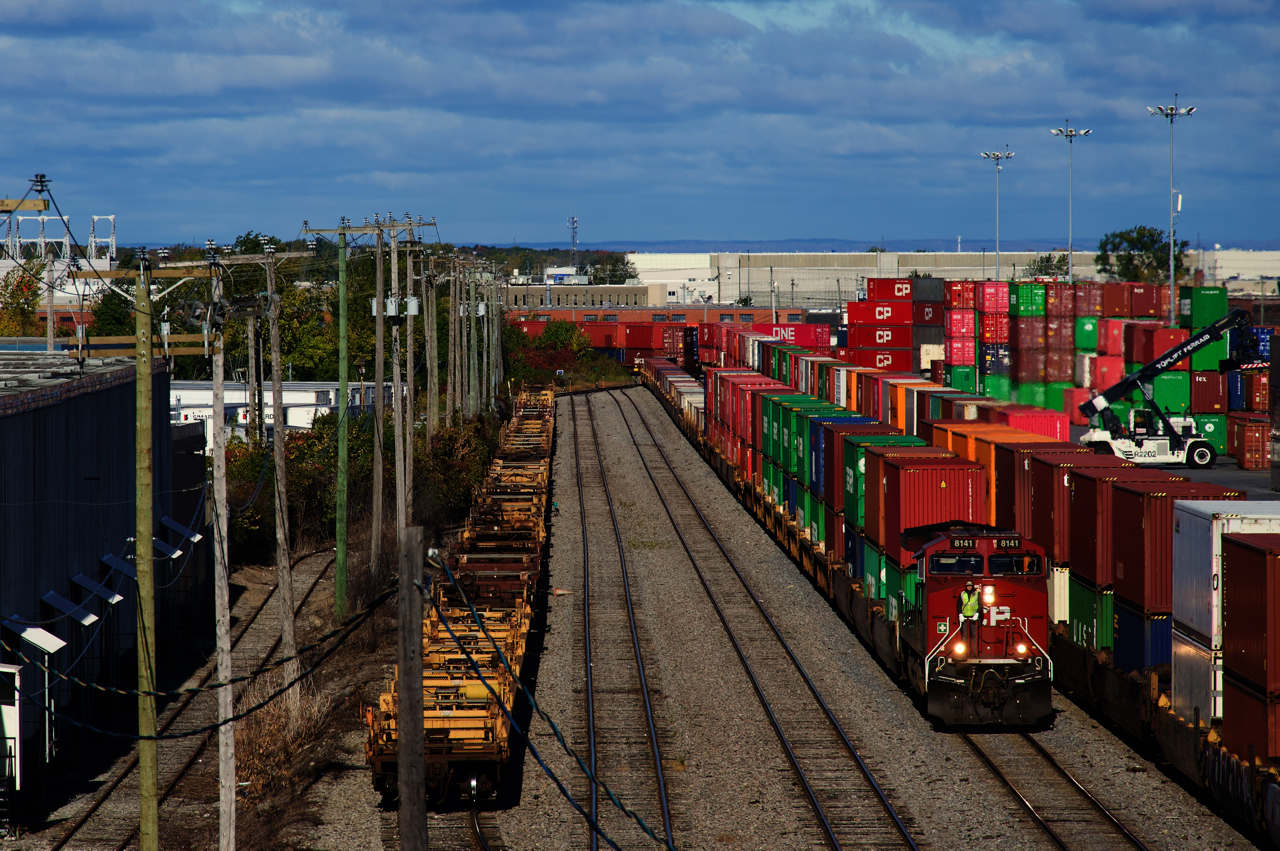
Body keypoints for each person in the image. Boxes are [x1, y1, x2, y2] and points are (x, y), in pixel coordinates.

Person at [957, 580, 983, 652]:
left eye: (970, 586)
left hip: (974, 617)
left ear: (972, 586)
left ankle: (975, 651)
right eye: (967, 586)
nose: (969, 587)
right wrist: (960, 614)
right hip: (965, 617)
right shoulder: (962, 594)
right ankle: (964, 652)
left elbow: (980, 604)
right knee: (964, 635)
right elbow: (959, 605)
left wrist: (977, 613)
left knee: (974, 635)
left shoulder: (977, 594)